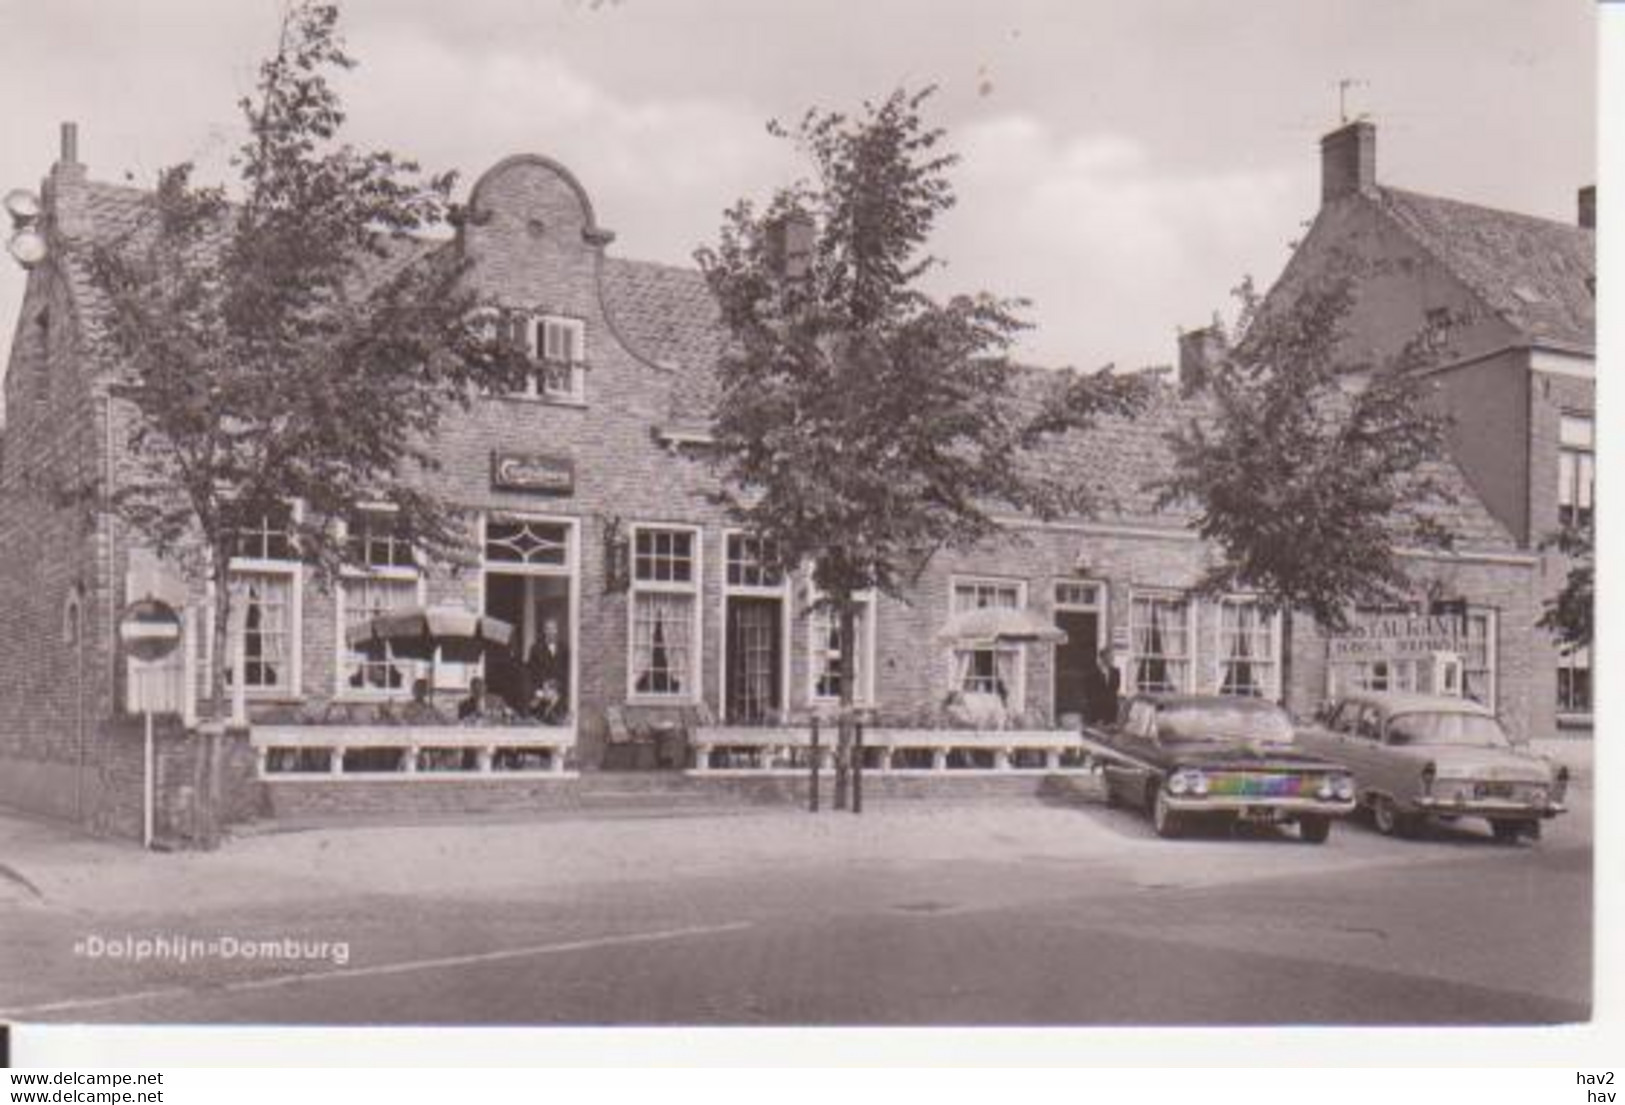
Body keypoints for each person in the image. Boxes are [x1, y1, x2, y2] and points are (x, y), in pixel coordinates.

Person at [526, 617, 570, 719]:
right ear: (544, 631)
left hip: (559, 693)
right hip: (541, 690)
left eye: (553, 629)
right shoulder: (536, 648)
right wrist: (542, 685)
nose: (551, 632)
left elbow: (566, 670)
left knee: (558, 720)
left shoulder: (564, 648)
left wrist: (558, 685)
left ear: (557, 630)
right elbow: (531, 671)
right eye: (548, 629)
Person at [1085, 646, 1122, 726]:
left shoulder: (1116, 672)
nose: (1111, 659)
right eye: (1109, 657)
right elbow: (1090, 692)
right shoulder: (1093, 672)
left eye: (1112, 657)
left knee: (1110, 732)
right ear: (1102, 658)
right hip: (1098, 709)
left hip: (1111, 708)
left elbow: (1116, 687)